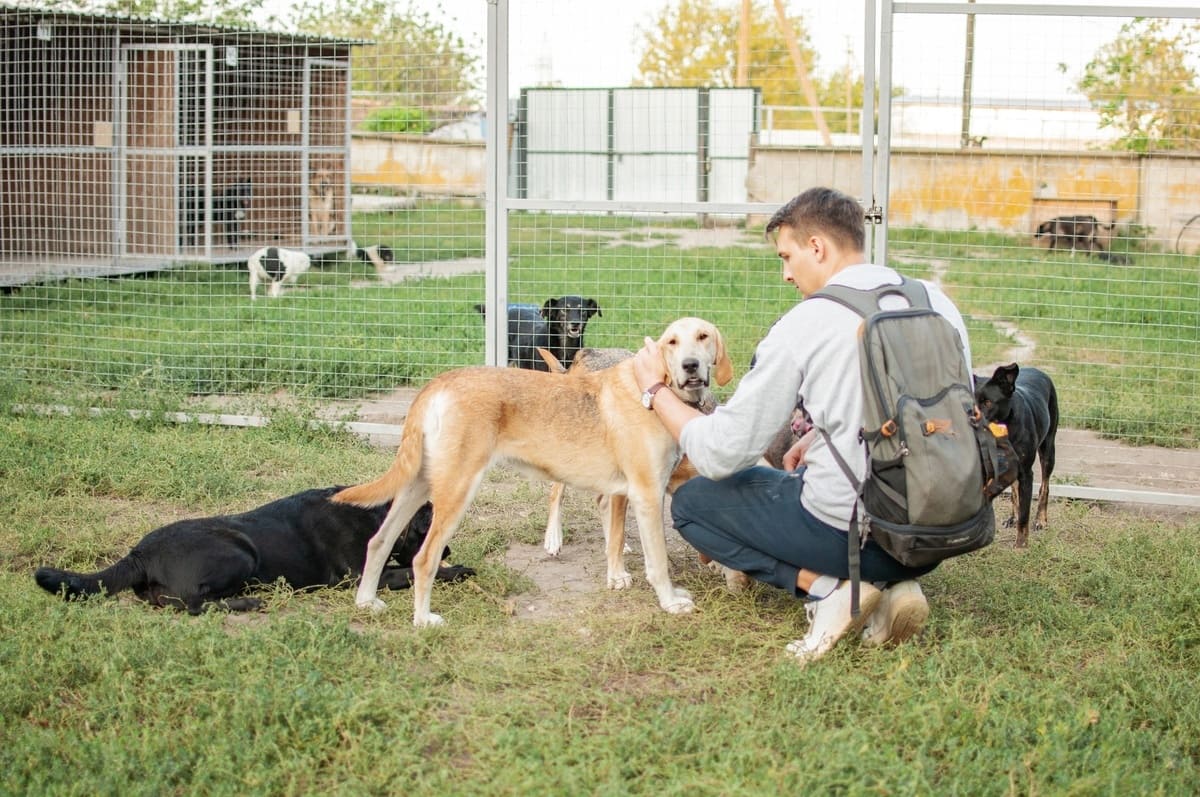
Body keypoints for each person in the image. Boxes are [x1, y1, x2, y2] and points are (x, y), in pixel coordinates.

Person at [632, 186, 974, 664]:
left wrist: (655, 390)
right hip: (942, 530)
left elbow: (719, 453)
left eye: (787, 257)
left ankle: (830, 589)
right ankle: (895, 586)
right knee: (806, 477)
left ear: (817, 247)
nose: (786, 274)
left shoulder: (806, 322)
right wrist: (819, 435)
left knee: (693, 503)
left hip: (856, 535)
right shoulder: (933, 299)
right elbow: (935, 408)